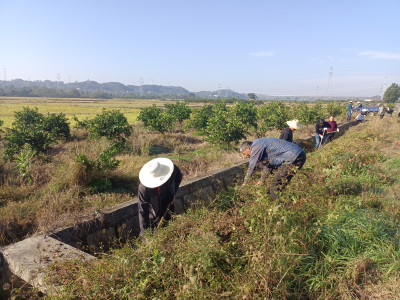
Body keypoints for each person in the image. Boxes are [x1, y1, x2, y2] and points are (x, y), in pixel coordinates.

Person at [240, 138, 306, 199]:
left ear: (247, 148)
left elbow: (252, 165)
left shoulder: (256, 147)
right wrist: (261, 180)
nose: (246, 156)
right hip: (295, 157)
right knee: (270, 187)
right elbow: (268, 167)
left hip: (294, 158)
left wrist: (245, 183)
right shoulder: (260, 145)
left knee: (274, 186)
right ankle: (290, 201)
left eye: (244, 154)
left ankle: (284, 206)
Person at [138, 158, 183, 235]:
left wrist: (173, 194)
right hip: (154, 214)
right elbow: (143, 211)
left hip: (169, 204)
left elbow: (179, 177)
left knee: (169, 229)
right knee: (156, 233)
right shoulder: (144, 188)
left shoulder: (172, 169)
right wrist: (145, 234)